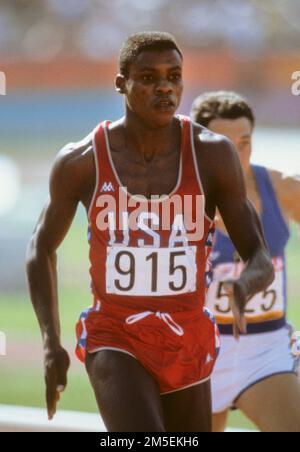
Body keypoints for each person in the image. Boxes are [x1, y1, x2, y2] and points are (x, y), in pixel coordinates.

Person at [26, 34, 274, 433]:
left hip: (187, 335)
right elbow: (40, 247)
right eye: (148, 77)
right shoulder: (82, 160)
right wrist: (50, 342)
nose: (164, 86)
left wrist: (245, 286)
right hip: (115, 332)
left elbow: (258, 253)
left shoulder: (212, 154)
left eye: (174, 76)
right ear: (120, 82)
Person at [191, 91, 300, 432]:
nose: (236, 153)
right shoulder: (177, 200)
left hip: (264, 348)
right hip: (198, 353)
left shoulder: (282, 189)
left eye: (245, 142)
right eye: (224, 143)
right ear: (199, 144)